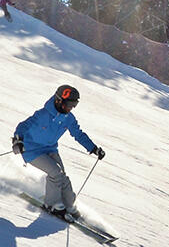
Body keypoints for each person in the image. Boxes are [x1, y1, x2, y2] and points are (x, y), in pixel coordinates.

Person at [13, 85, 104, 221]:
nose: (70, 108)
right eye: (68, 104)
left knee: (62, 176)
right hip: (31, 149)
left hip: (50, 149)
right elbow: (23, 125)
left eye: (74, 105)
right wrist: (18, 141)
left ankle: (69, 205)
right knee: (55, 172)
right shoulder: (43, 114)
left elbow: (78, 134)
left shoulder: (69, 118)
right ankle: (53, 205)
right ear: (59, 101)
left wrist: (93, 148)